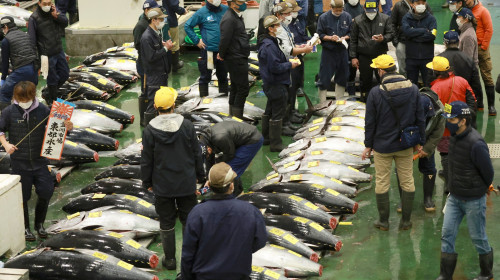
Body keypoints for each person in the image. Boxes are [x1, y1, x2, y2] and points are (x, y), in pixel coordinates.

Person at [141, 87, 205, 270]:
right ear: (174, 105)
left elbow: (147, 160)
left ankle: (169, 260)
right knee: (188, 219)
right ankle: (189, 258)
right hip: (186, 182)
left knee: (166, 221)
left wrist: (147, 182)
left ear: (155, 107)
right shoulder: (186, 125)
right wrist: (200, 176)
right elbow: (196, 154)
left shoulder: (149, 131)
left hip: (162, 186)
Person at [0, 81, 72, 241]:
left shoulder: (43, 110)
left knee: (46, 191)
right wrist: (5, 144)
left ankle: (39, 224)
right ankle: (25, 228)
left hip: (40, 162)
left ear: (33, 95)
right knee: (23, 197)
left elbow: (57, 130)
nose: (24, 101)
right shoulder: (9, 111)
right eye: (21, 98)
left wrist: (67, 126)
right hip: (19, 163)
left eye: (27, 98)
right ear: (16, 97)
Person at [362, 54, 425, 231]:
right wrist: (419, 142)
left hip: (382, 146)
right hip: (405, 144)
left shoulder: (375, 93)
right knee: (407, 181)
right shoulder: (413, 89)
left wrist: (368, 144)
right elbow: (420, 117)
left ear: (381, 71)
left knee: (382, 182)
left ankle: (384, 221)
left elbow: (370, 122)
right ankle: (406, 222)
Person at [436, 101, 494, 280]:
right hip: (454, 197)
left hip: (473, 200)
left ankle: (486, 273)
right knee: (447, 235)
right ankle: (445, 275)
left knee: (478, 237)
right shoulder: (454, 138)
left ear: (462, 121)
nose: (448, 123)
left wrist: (477, 189)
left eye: (451, 119)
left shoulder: (476, 143)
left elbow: (488, 173)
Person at [181, 162, 267, 280]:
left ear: (209, 185)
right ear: (231, 186)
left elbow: (188, 254)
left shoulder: (197, 213)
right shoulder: (250, 212)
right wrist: (239, 249)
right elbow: (260, 241)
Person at [427, 56, 477, 194]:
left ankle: (449, 186)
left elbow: (433, 113)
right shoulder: (461, 81)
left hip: (444, 130)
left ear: (436, 72)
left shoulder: (434, 88)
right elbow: (472, 101)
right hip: (463, 127)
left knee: (445, 156)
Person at [397, 87, 445, 213]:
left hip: (427, 140)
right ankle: (403, 199)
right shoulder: (407, 106)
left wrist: (427, 148)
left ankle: (428, 198)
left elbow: (437, 133)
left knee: (429, 167)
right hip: (408, 138)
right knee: (401, 168)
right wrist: (411, 144)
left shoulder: (440, 110)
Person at [259, 15, 299, 152]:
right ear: (270, 29)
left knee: (269, 110)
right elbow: (275, 67)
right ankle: (275, 144)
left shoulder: (270, 42)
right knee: (277, 113)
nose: (279, 27)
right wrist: (290, 65)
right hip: (276, 83)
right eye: (276, 26)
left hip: (271, 83)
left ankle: (266, 138)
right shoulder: (269, 46)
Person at [273, 1, 313, 134]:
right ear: (279, 14)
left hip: (291, 62)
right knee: (286, 94)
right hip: (285, 65)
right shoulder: (278, 29)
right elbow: (286, 50)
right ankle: (284, 124)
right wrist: (302, 50)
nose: (291, 15)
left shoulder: (285, 26)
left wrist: (300, 47)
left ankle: (289, 116)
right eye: (287, 13)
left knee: (292, 90)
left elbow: (290, 45)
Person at [199, 120, 264, 196]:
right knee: (228, 167)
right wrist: (208, 179)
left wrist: (218, 162)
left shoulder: (219, 138)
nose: (208, 156)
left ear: (208, 149)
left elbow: (230, 155)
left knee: (230, 170)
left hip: (252, 139)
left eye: (207, 154)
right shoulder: (204, 141)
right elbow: (209, 159)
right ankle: (239, 192)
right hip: (240, 139)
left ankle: (234, 197)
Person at [349, 0, 393, 102]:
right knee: (365, 82)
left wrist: (383, 38)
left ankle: (384, 102)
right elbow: (353, 40)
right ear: (364, 9)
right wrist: (353, 57)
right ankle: (365, 102)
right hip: (364, 57)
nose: (371, 14)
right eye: (369, 12)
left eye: (373, 11)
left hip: (381, 56)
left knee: (383, 80)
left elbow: (391, 34)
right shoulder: (358, 20)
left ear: (378, 8)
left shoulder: (385, 18)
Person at [28, 0, 69, 106]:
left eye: (49, 3)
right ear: (39, 3)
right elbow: (32, 41)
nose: (47, 6)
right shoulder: (34, 18)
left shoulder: (54, 11)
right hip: (46, 54)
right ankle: (53, 100)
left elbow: (65, 22)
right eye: (44, 3)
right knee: (52, 79)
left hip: (59, 50)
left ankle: (48, 92)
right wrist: (36, 60)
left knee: (65, 74)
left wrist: (57, 16)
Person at [185, 0, 229, 98]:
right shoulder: (201, 12)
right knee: (205, 77)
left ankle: (224, 101)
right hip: (208, 52)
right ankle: (203, 102)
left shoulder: (226, 9)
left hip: (223, 51)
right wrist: (196, 41)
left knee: (223, 77)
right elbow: (188, 26)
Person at [140, 8, 173, 126]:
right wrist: (165, 48)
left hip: (161, 74)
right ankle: (147, 129)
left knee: (161, 102)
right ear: (154, 20)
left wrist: (162, 45)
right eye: (161, 19)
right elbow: (151, 57)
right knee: (153, 104)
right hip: (154, 76)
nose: (163, 21)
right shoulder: (146, 37)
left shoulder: (155, 33)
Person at [219, 0, 250, 119]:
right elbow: (224, 39)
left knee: (236, 87)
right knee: (242, 89)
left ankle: (233, 117)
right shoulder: (229, 19)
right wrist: (221, 54)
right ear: (232, 4)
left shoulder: (235, 16)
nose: (244, 4)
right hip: (235, 58)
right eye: (240, 2)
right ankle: (237, 120)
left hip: (237, 55)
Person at [316, 0, 352, 102]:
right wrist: (330, 38)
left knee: (342, 76)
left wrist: (344, 37)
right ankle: (322, 103)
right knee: (324, 77)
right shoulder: (323, 18)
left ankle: (339, 101)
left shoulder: (347, 16)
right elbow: (320, 34)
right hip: (328, 52)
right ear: (331, 7)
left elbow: (351, 32)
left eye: (340, 10)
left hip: (342, 51)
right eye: (336, 10)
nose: (338, 12)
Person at [0, 17, 38, 110]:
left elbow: (4, 62)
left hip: (22, 70)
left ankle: (6, 119)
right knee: (27, 94)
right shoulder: (25, 34)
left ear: (5, 26)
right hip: (34, 69)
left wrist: (3, 78)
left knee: (3, 93)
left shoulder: (6, 40)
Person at [438, 30, 483, 110]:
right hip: (463, 102)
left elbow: (431, 81)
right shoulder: (468, 60)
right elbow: (476, 84)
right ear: (459, 42)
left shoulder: (438, 59)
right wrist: (479, 104)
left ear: (445, 43)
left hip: (444, 102)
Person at [465, 0, 495, 116]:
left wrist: (483, 46)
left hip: (481, 49)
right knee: (474, 77)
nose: (466, 2)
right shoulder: (466, 11)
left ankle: (491, 106)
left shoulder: (483, 11)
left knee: (486, 76)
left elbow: (489, 29)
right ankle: (480, 104)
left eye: (467, 0)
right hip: (471, 48)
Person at [133, 0, 160, 127]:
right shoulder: (141, 25)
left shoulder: (151, 23)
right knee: (146, 91)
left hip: (151, 62)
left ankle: (151, 116)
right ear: (146, 11)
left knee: (152, 89)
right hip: (144, 63)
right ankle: (144, 120)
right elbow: (138, 45)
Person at [391, 0, 431, 77]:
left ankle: (419, 86)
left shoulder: (424, 4)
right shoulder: (398, 5)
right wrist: (396, 41)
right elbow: (392, 23)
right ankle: (404, 84)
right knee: (403, 68)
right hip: (403, 42)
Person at [402, 0, 437, 88]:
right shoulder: (406, 18)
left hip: (427, 58)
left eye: (423, 3)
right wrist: (424, 30)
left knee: (428, 84)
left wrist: (413, 35)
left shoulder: (431, 19)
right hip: (411, 58)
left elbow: (432, 36)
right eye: (418, 3)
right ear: (412, 5)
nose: (421, 5)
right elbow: (407, 32)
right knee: (411, 85)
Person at [344, 0, 363, 96]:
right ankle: (351, 96)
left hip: (362, 45)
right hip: (349, 45)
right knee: (350, 72)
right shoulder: (344, 9)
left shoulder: (362, 8)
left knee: (364, 73)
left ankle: (364, 95)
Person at [162, 0, 185, 72]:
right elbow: (174, 5)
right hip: (171, 21)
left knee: (166, 41)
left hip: (165, 19)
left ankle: (168, 65)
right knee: (174, 42)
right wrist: (182, 11)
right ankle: (175, 64)